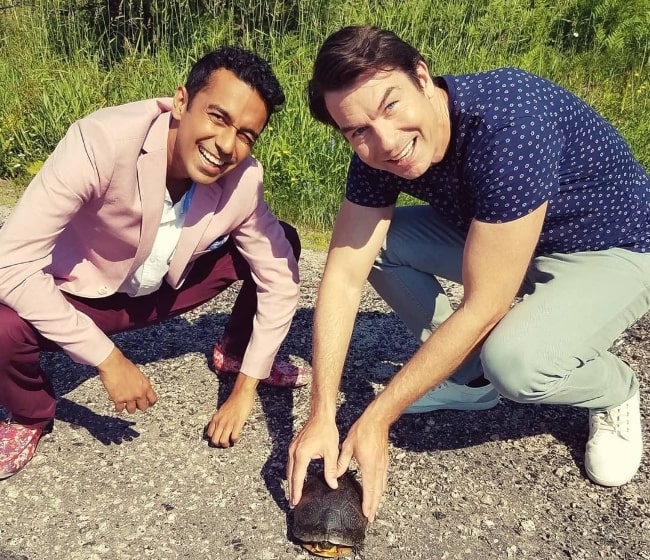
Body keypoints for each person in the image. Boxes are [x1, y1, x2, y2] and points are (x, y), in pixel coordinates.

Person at [287, 25, 649, 522]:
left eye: (390, 106)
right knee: (376, 248)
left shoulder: (509, 125)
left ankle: (615, 389)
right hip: (501, 236)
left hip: (608, 247)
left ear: (422, 76)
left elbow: (485, 303)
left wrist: (377, 418)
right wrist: (320, 414)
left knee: (518, 364)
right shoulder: (374, 147)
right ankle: (471, 379)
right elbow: (345, 272)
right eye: (358, 131)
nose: (385, 141)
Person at [0, 45, 311, 480]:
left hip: (166, 288)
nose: (226, 145)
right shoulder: (101, 141)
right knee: (3, 324)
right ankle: (31, 415)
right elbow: (9, 263)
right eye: (218, 117)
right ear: (182, 101)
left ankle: (235, 353)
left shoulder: (244, 179)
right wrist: (107, 359)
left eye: (245, 134)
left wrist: (245, 390)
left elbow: (279, 283)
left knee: (284, 245)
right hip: (83, 293)